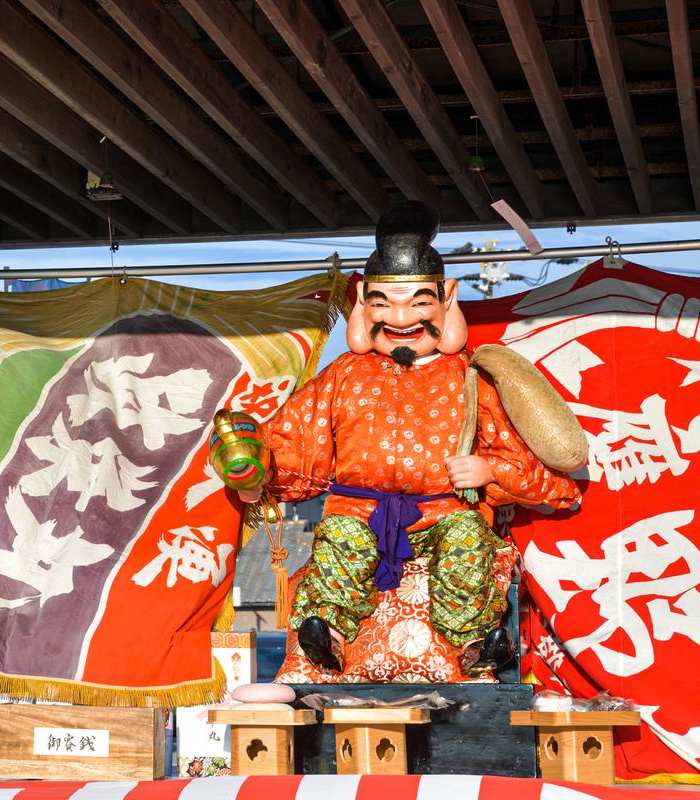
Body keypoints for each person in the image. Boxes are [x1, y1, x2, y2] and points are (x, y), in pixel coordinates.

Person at [240, 202, 581, 676]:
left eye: (419, 303)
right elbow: (292, 441)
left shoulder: (469, 376)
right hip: (359, 514)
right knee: (338, 535)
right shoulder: (344, 374)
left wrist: (489, 470)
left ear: (447, 298)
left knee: (467, 536)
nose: (400, 319)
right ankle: (328, 634)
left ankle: (473, 643)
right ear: (363, 303)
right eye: (383, 304)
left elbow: (530, 463)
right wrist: (254, 466)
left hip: (444, 515)